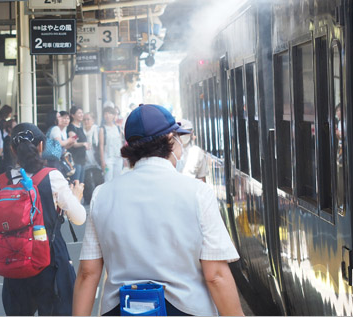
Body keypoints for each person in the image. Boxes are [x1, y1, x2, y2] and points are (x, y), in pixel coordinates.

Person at [73, 104, 242, 316]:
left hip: (120, 310)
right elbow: (215, 275)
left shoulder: (102, 195)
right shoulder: (198, 193)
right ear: (171, 139)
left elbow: (88, 273)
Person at [0, 123, 85, 316]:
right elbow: (78, 218)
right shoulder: (52, 177)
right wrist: (76, 197)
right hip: (50, 260)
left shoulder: (3, 181)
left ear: (13, 149)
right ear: (41, 146)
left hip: (15, 260)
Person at [99, 107, 124, 182]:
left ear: (114, 115)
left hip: (118, 157)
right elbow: (101, 145)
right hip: (108, 158)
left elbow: (121, 143)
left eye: (110, 113)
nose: (107, 116)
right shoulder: (102, 129)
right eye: (105, 114)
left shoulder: (118, 128)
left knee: (117, 179)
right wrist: (102, 161)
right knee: (108, 179)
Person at [67, 106, 89, 183]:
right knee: (76, 182)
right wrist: (84, 144)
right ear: (73, 115)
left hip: (82, 159)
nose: (81, 114)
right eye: (79, 113)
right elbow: (74, 144)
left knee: (81, 183)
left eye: (82, 113)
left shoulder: (80, 127)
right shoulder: (72, 127)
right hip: (75, 160)